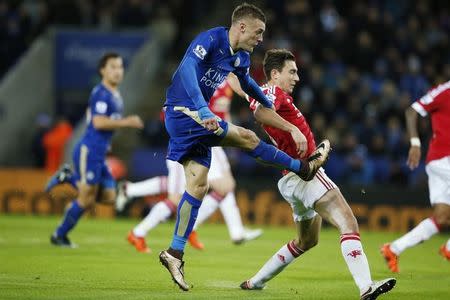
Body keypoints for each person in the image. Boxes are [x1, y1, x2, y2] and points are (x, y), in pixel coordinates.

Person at [159, 3, 330, 291]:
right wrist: (202, 108)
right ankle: (302, 169)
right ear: (241, 27)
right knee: (248, 138)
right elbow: (187, 68)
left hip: (197, 121)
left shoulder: (240, 56)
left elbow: (247, 83)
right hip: (183, 112)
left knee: (198, 186)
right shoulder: (210, 39)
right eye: (258, 31)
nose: (261, 38)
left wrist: (267, 104)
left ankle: (174, 253)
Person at [239, 49, 396, 300]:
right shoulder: (271, 92)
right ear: (275, 74)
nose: (297, 77)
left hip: (290, 178)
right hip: (306, 173)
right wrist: (294, 130)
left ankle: (256, 282)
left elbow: (247, 93)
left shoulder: (264, 93)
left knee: (306, 241)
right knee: (348, 222)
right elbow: (260, 113)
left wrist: (231, 76)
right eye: (292, 71)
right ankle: (366, 286)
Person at [125, 76, 262, 253]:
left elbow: (223, 112)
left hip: (210, 139)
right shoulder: (205, 77)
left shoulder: (226, 77)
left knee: (224, 186)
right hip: (193, 140)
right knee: (181, 196)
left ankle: (222, 230)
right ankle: (140, 227)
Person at [49, 52, 144, 247]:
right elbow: (99, 122)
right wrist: (127, 122)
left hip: (100, 153)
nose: (117, 71)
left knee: (109, 198)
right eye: (112, 67)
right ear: (102, 70)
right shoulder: (101, 93)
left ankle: (69, 177)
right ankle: (59, 235)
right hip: (90, 150)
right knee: (85, 199)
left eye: (120, 67)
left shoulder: (116, 96)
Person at [381, 80, 450, 272]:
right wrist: (415, 143)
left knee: (442, 217)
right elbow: (412, 111)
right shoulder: (445, 91)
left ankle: (393, 248)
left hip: (438, 162)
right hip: (444, 159)